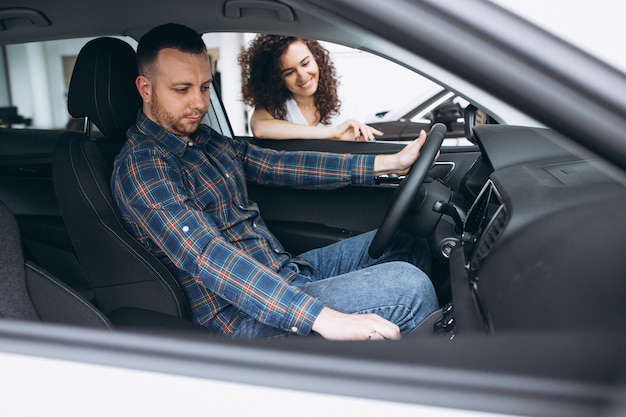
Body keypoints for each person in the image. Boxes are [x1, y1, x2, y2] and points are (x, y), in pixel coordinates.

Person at [111, 23, 438, 340]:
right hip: (241, 318)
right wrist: (322, 318)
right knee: (409, 289)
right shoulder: (142, 168)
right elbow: (208, 256)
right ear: (146, 89)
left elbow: (279, 164)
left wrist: (389, 164)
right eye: (182, 89)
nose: (199, 103)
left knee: (406, 242)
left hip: (285, 272)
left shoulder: (204, 140)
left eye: (205, 87)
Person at [239, 34, 382, 141]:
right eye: (289, 72)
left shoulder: (347, 95)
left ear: (316, 58)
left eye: (305, 64)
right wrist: (333, 133)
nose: (302, 76)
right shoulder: (275, 105)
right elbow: (260, 128)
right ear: (276, 79)